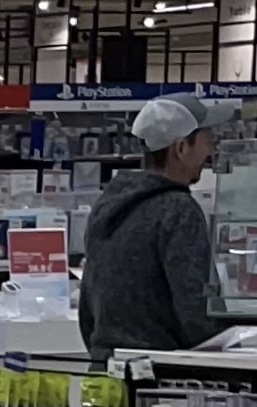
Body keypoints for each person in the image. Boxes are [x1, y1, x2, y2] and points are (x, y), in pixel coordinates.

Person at [78, 93, 239, 358]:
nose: (210, 152)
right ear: (181, 148)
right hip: (161, 369)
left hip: (107, 363)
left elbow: (89, 305)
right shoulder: (178, 209)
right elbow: (197, 312)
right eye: (206, 141)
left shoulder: (108, 204)